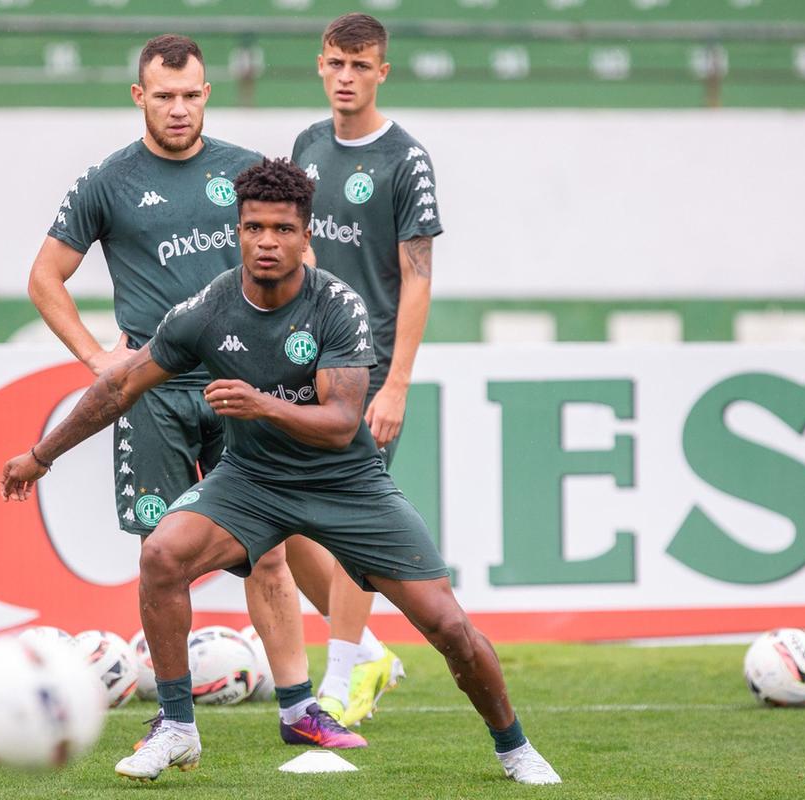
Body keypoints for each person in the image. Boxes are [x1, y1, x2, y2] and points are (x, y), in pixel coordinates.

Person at [1, 158, 561, 786]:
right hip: (252, 482)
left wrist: (259, 403)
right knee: (162, 554)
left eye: (282, 230)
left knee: (449, 627)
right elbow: (120, 387)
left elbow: (343, 422)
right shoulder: (207, 309)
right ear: (238, 229)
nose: (266, 241)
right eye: (253, 228)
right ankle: (178, 728)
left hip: (347, 486)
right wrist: (41, 455)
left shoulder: (336, 307)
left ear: (305, 235)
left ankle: (513, 746)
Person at [28, 34, 362, 749]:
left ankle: (300, 707)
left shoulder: (246, 172)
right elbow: (43, 278)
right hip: (153, 392)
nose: (178, 109)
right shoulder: (106, 181)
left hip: (246, 385)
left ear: (206, 94)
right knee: (162, 554)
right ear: (138, 96)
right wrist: (96, 358)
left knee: (268, 549)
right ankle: (175, 718)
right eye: (164, 96)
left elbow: (305, 259)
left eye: (190, 95)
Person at [286, 12, 444, 727]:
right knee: (282, 527)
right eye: (334, 64)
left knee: (351, 522)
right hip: (301, 364)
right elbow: (298, 248)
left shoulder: (405, 159)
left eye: (360, 66)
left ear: (382, 72)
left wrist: (397, 382)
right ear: (320, 65)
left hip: (367, 372)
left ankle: (343, 678)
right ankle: (371, 652)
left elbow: (417, 276)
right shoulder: (307, 145)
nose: (345, 77)